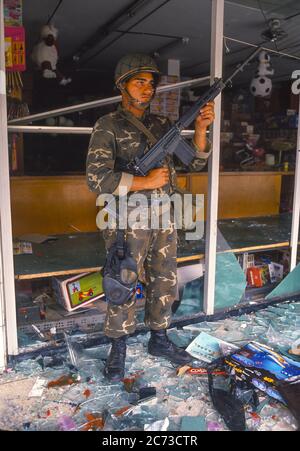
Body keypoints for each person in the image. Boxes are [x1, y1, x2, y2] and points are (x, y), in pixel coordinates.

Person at [86, 54, 215, 381]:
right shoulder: (108, 125)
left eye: (150, 84)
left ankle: (159, 336)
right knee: (123, 280)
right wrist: (144, 182)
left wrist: (200, 130)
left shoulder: (160, 124)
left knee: (164, 278)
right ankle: (119, 345)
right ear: (122, 85)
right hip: (127, 218)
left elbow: (194, 163)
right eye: (138, 82)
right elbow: (96, 179)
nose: (146, 89)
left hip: (163, 216)